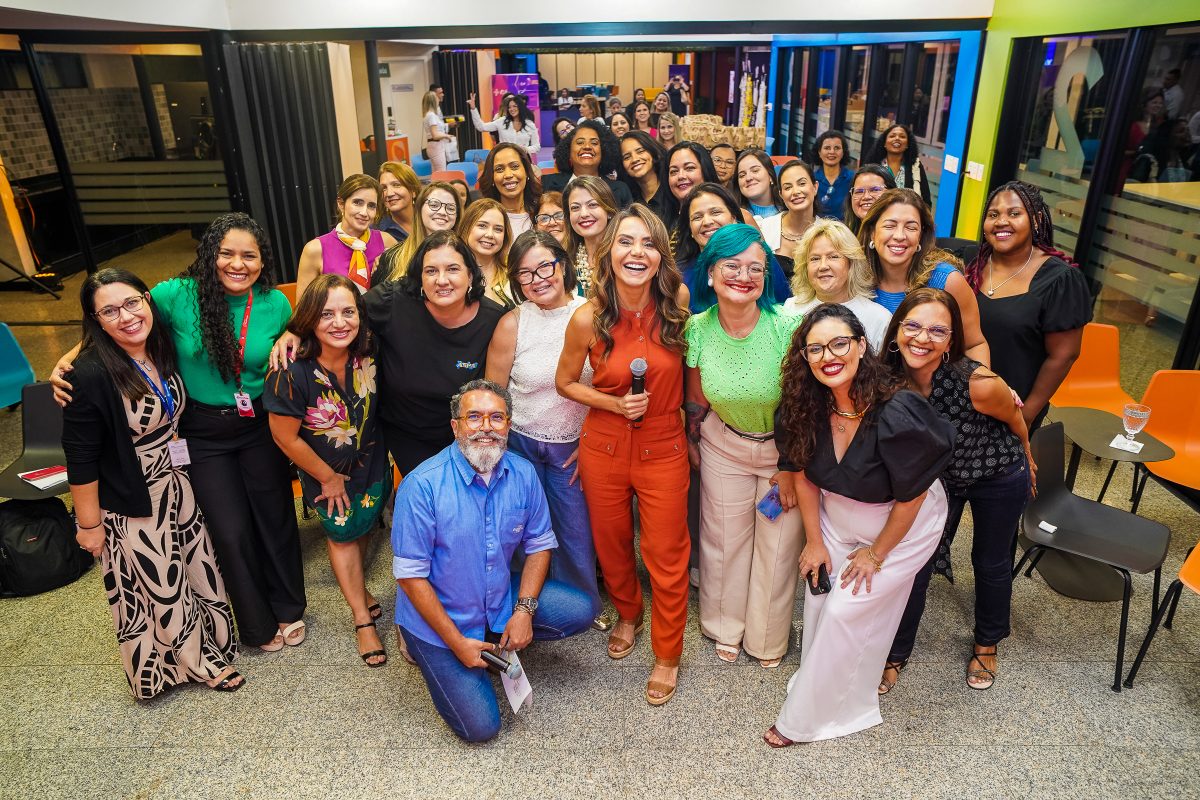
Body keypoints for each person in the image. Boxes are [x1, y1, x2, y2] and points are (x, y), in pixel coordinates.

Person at [53, 214, 307, 652]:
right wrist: (69, 358)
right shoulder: (176, 294)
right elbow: (120, 316)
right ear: (210, 255)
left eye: (249, 256)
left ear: (263, 261)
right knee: (229, 530)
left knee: (276, 517)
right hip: (202, 432)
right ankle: (256, 623)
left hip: (259, 424)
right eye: (226, 253)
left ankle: (289, 608)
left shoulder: (275, 303)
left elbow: (292, 337)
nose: (238, 264)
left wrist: (292, 335)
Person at [764, 303, 954, 746]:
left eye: (839, 344)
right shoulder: (804, 405)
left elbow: (912, 497)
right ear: (804, 357)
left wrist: (876, 554)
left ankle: (810, 719)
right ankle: (821, 685)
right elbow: (804, 476)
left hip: (903, 527)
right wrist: (814, 542)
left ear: (862, 345)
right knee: (819, 598)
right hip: (836, 516)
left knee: (846, 610)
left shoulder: (898, 410)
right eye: (815, 349)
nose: (828, 356)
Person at [63, 267, 241, 699]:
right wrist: (89, 525)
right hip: (134, 492)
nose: (125, 316)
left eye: (131, 303)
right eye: (109, 311)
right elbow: (81, 458)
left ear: (147, 300)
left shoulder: (159, 346)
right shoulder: (88, 374)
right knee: (161, 582)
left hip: (177, 479)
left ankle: (212, 644)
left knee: (196, 564)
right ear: (95, 320)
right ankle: (199, 663)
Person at [393, 379, 593, 742]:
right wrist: (457, 643)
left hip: (496, 595)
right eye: (474, 417)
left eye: (496, 417)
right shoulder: (422, 486)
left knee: (582, 609)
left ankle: (491, 633)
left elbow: (540, 544)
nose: (485, 427)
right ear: (455, 426)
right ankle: (423, 646)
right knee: (482, 728)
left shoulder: (523, 473)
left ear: (508, 426)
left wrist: (524, 611)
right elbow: (410, 578)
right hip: (440, 618)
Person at [556, 204, 692, 706]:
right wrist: (612, 402)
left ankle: (668, 654)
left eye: (648, 243)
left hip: (664, 443)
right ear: (608, 252)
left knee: (666, 553)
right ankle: (629, 612)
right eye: (626, 242)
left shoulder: (678, 301)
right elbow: (564, 383)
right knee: (611, 544)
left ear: (660, 257)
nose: (637, 253)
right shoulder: (587, 317)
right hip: (605, 443)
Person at [879, 288, 1034, 695]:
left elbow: (1016, 421)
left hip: (997, 473)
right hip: (939, 481)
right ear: (896, 331)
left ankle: (987, 643)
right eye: (913, 326)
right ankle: (895, 652)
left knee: (991, 561)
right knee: (917, 563)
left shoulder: (977, 382)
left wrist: (1029, 458)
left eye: (937, 331)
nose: (922, 338)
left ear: (951, 341)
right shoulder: (886, 379)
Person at [683, 224, 803, 669]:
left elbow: (806, 404)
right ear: (710, 273)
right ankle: (723, 626)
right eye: (731, 266)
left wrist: (793, 466)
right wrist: (693, 439)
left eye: (756, 268)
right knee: (723, 539)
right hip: (724, 444)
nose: (744, 276)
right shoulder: (697, 328)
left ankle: (767, 639)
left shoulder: (787, 327)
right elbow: (695, 397)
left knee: (778, 546)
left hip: (783, 452)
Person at [264, 274, 392, 668]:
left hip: (371, 461)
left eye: (348, 312)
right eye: (326, 314)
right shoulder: (290, 369)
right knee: (341, 534)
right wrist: (328, 477)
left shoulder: (368, 351)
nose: (340, 322)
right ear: (309, 319)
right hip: (324, 472)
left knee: (362, 524)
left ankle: (359, 588)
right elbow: (284, 437)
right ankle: (361, 618)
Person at [485, 230, 604, 626]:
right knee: (523, 532)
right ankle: (527, 609)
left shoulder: (593, 314)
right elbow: (493, 395)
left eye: (544, 267)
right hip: (520, 444)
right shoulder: (512, 323)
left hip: (575, 445)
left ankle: (580, 610)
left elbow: (609, 385)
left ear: (562, 265)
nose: (537, 279)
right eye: (525, 273)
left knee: (575, 533)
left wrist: (593, 441)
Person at [965, 181, 1091, 430]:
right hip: (957, 399)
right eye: (993, 215)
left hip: (1011, 410)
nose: (1001, 221)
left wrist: (1026, 415)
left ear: (1036, 220)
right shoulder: (970, 262)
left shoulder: (1059, 279)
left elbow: (1063, 356)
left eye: (1014, 213)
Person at [859, 189, 989, 366]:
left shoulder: (947, 281)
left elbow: (975, 345)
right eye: (889, 226)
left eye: (911, 227)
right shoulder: (854, 279)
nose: (899, 236)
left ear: (921, 236)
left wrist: (982, 381)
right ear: (872, 233)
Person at [673, 183, 787, 310]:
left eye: (715, 212)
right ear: (690, 229)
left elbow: (785, 307)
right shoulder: (679, 275)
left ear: (734, 218)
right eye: (697, 217)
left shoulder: (762, 259)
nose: (707, 222)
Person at [783, 219, 892, 351]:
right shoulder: (790, 309)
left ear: (851, 263)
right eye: (815, 259)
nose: (823, 266)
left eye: (833, 257)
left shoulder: (879, 319)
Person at [296, 174, 397, 298]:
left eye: (371, 206)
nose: (364, 212)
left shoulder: (386, 241)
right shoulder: (315, 249)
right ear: (341, 204)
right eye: (357, 203)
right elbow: (304, 306)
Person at [372, 181, 462, 288]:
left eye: (451, 208)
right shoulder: (391, 258)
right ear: (419, 208)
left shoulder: (466, 258)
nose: (443, 212)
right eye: (434, 205)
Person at [540, 120, 634, 207]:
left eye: (594, 143)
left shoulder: (621, 189)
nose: (587, 146)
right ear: (568, 151)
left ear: (604, 151)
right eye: (580, 142)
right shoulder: (546, 183)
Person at [564, 175, 619, 297]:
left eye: (592, 205)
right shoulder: (565, 262)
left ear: (609, 211)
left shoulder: (623, 255)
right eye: (575, 208)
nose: (583, 214)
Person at [759, 160, 818, 267]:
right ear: (781, 195)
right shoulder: (763, 228)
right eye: (788, 187)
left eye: (802, 184)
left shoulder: (829, 234)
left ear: (815, 187)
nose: (795, 191)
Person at [477, 143, 542, 236]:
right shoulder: (481, 217)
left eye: (515, 166)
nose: (508, 175)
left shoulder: (542, 212)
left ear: (527, 172)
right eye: (499, 169)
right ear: (492, 178)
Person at [462, 198, 516, 308]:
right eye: (482, 226)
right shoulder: (451, 271)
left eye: (498, 229)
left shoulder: (514, 273)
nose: (490, 235)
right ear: (466, 227)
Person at [865, 124, 931, 207]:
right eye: (892, 136)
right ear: (884, 143)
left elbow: (926, 200)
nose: (897, 138)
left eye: (902, 136)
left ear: (907, 144)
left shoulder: (915, 166)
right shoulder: (873, 165)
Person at [466, 92, 540, 156]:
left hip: (523, 159)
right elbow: (481, 127)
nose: (512, 109)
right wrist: (473, 109)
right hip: (504, 158)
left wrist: (526, 149)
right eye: (509, 107)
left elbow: (537, 146)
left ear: (520, 107)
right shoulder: (501, 121)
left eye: (514, 106)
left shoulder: (529, 124)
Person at [618, 130, 669, 220]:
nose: (634, 159)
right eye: (627, 157)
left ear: (653, 152)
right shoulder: (627, 201)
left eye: (640, 151)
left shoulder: (672, 191)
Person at [375, 161, 421, 245]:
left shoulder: (431, 218)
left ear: (413, 190)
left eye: (396, 185)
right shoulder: (376, 231)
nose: (389, 193)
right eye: (384, 188)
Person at [812, 131, 853, 221]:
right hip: (816, 227)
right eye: (827, 148)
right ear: (819, 152)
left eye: (837, 148)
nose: (832, 152)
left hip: (845, 227)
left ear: (843, 153)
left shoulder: (853, 179)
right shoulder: (811, 179)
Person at [845, 165, 896, 235]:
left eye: (875, 190)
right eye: (859, 191)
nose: (866, 197)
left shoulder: (899, 237)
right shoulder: (843, 237)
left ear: (892, 194)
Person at [735, 149, 785, 220]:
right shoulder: (733, 216)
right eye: (742, 175)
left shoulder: (790, 210)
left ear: (770, 176)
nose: (748, 178)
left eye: (755, 171)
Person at [422, 89, 454, 173]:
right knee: (441, 173)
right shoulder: (432, 115)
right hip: (436, 147)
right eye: (436, 97)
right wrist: (446, 136)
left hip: (432, 146)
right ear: (433, 101)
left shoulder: (427, 115)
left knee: (436, 173)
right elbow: (435, 135)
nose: (438, 99)